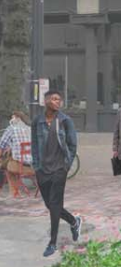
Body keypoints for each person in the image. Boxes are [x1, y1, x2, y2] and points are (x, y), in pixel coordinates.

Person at [32, 91, 82, 257]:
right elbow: (34, 145)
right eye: (54, 99)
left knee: (54, 205)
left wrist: (66, 166)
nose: (57, 102)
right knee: (51, 206)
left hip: (59, 169)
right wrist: (37, 167)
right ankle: (74, 222)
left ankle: (52, 243)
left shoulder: (65, 121)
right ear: (46, 101)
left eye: (59, 99)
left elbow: (72, 145)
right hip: (43, 170)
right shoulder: (37, 122)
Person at [2, 111, 32, 198]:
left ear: (17, 119)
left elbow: (2, 144)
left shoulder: (11, 129)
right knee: (11, 161)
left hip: (20, 167)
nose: (11, 119)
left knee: (8, 168)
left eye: (13, 117)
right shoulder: (29, 129)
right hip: (33, 167)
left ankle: (15, 193)